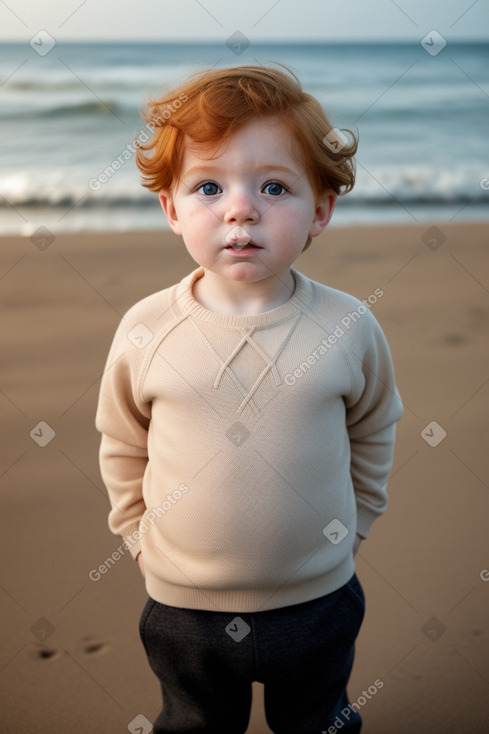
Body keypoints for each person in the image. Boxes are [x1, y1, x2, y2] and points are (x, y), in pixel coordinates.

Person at [95, 65, 403, 733]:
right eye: (208, 186)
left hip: (317, 597)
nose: (240, 208)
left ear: (320, 209)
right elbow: (122, 439)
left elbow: (375, 424)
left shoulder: (347, 325)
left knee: (318, 720)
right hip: (184, 606)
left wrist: (357, 524)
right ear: (171, 208)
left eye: (273, 187)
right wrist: (133, 536)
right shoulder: (148, 328)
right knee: (195, 723)